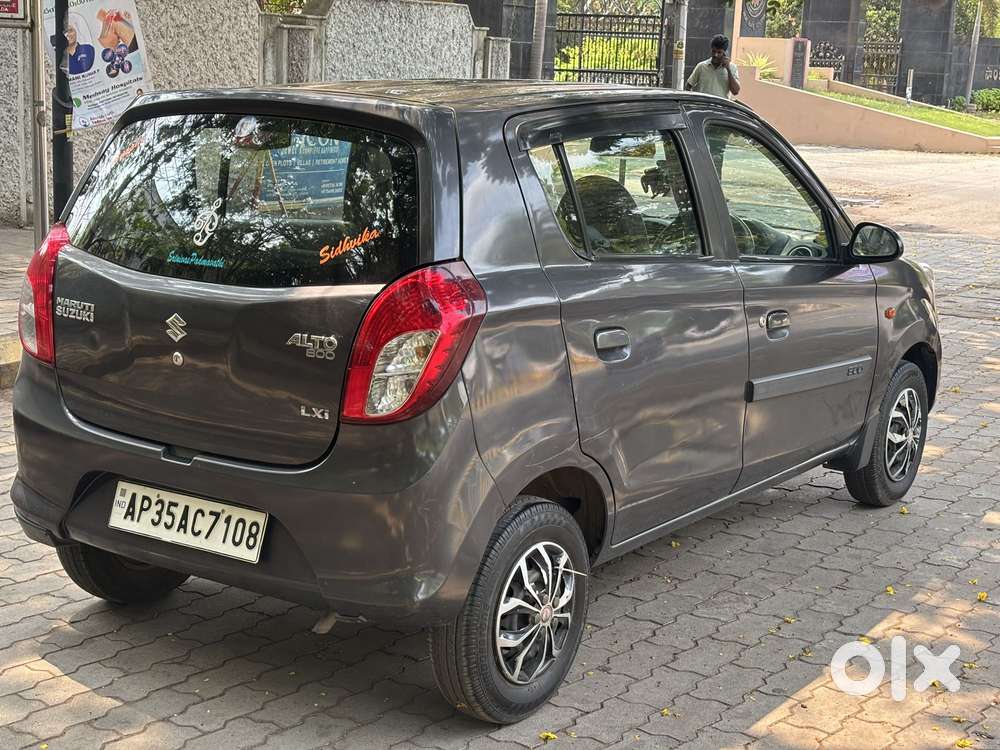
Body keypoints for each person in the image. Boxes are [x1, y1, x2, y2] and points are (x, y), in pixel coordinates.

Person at [686, 34, 741, 99]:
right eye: (713, 51)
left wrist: (728, 69)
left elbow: (735, 92)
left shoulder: (732, 68)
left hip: (720, 108)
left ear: (725, 53)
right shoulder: (701, 66)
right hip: (702, 107)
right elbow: (688, 86)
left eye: (719, 52)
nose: (715, 55)